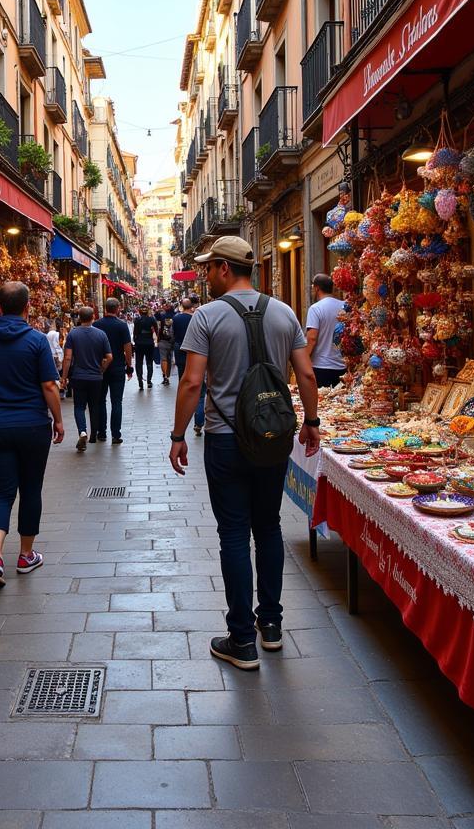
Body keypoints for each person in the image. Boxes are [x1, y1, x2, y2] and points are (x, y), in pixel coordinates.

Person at [169, 236, 321, 671]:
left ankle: (241, 640)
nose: (204, 275)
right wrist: (311, 423)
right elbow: (306, 372)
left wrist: (178, 433)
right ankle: (270, 626)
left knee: (234, 533)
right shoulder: (284, 312)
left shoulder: (207, 316)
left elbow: (193, 383)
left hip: (225, 437)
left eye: (207, 267)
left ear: (222, 268)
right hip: (273, 437)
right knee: (268, 527)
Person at [0, 281, 64, 588]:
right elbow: (49, 385)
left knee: (0, 492)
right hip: (33, 425)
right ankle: (25, 555)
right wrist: (59, 421)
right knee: (31, 488)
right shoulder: (36, 341)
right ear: (27, 306)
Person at [61, 305, 112, 451]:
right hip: (96, 377)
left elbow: (68, 357)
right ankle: (93, 435)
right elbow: (109, 357)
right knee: (94, 406)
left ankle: (82, 431)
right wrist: (101, 369)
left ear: (79, 318)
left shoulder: (73, 334)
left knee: (79, 406)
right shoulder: (101, 334)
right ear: (93, 317)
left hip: (78, 376)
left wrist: (64, 377)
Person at [95, 296, 134, 445]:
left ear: (105, 308)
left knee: (100, 401)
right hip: (117, 367)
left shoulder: (97, 325)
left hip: (101, 368)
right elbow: (127, 347)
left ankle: (101, 432)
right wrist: (129, 365)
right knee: (116, 402)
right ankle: (116, 434)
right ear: (117, 308)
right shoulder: (122, 325)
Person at [306, 273, 347, 388]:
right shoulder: (345, 306)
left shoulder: (315, 309)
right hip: (343, 366)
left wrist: (303, 360)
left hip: (321, 367)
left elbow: (312, 338)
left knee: (323, 404)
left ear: (317, 288)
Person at [172, 295, 205, 435]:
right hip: (196, 351)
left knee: (184, 382)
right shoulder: (196, 317)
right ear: (191, 306)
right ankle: (198, 421)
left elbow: (173, 335)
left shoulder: (176, 318)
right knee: (200, 389)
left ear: (181, 306)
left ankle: (185, 412)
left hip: (180, 350)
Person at [132, 304, 158, 389]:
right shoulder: (152, 319)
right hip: (149, 343)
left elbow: (135, 332)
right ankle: (149, 381)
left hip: (139, 343)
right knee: (149, 362)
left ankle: (140, 381)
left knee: (139, 362)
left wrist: (135, 340)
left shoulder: (137, 320)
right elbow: (156, 329)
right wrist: (155, 339)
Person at [156, 298, 177, 384]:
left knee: (163, 359)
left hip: (163, 339)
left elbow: (155, 316)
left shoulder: (161, 315)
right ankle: (167, 375)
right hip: (173, 340)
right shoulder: (176, 316)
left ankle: (165, 376)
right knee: (170, 358)